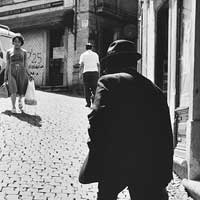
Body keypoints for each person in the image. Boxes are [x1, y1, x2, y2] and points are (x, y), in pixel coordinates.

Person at [86, 39, 174, 200]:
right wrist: (164, 171)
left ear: (111, 64)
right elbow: (166, 134)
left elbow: (96, 119)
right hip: (148, 165)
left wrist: (97, 152)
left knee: (106, 196)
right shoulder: (154, 89)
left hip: (114, 160)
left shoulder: (108, 81)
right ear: (134, 63)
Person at [4, 33, 32, 113]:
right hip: (11, 73)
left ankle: (20, 100)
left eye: (18, 42)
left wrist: (29, 74)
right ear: (13, 42)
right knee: (13, 90)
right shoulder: (9, 51)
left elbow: (26, 64)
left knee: (21, 89)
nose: (17, 43)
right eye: (15, 41)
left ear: (21, 43)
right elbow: (7, 64)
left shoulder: (24, 52)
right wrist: (5, 76)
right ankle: (13, 107)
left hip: (22, 73)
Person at [79, 43, 100, 107]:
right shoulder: (95, 54)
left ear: (86, 48)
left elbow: (81, 65)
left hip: (86, 73)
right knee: (94, 88)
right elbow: (98, 65)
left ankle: (88, 103)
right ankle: (94, 102)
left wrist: (80, 74)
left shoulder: (83, 55)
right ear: (91, 48)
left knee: (87, 88)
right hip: (95, 73)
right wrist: (98, 73)